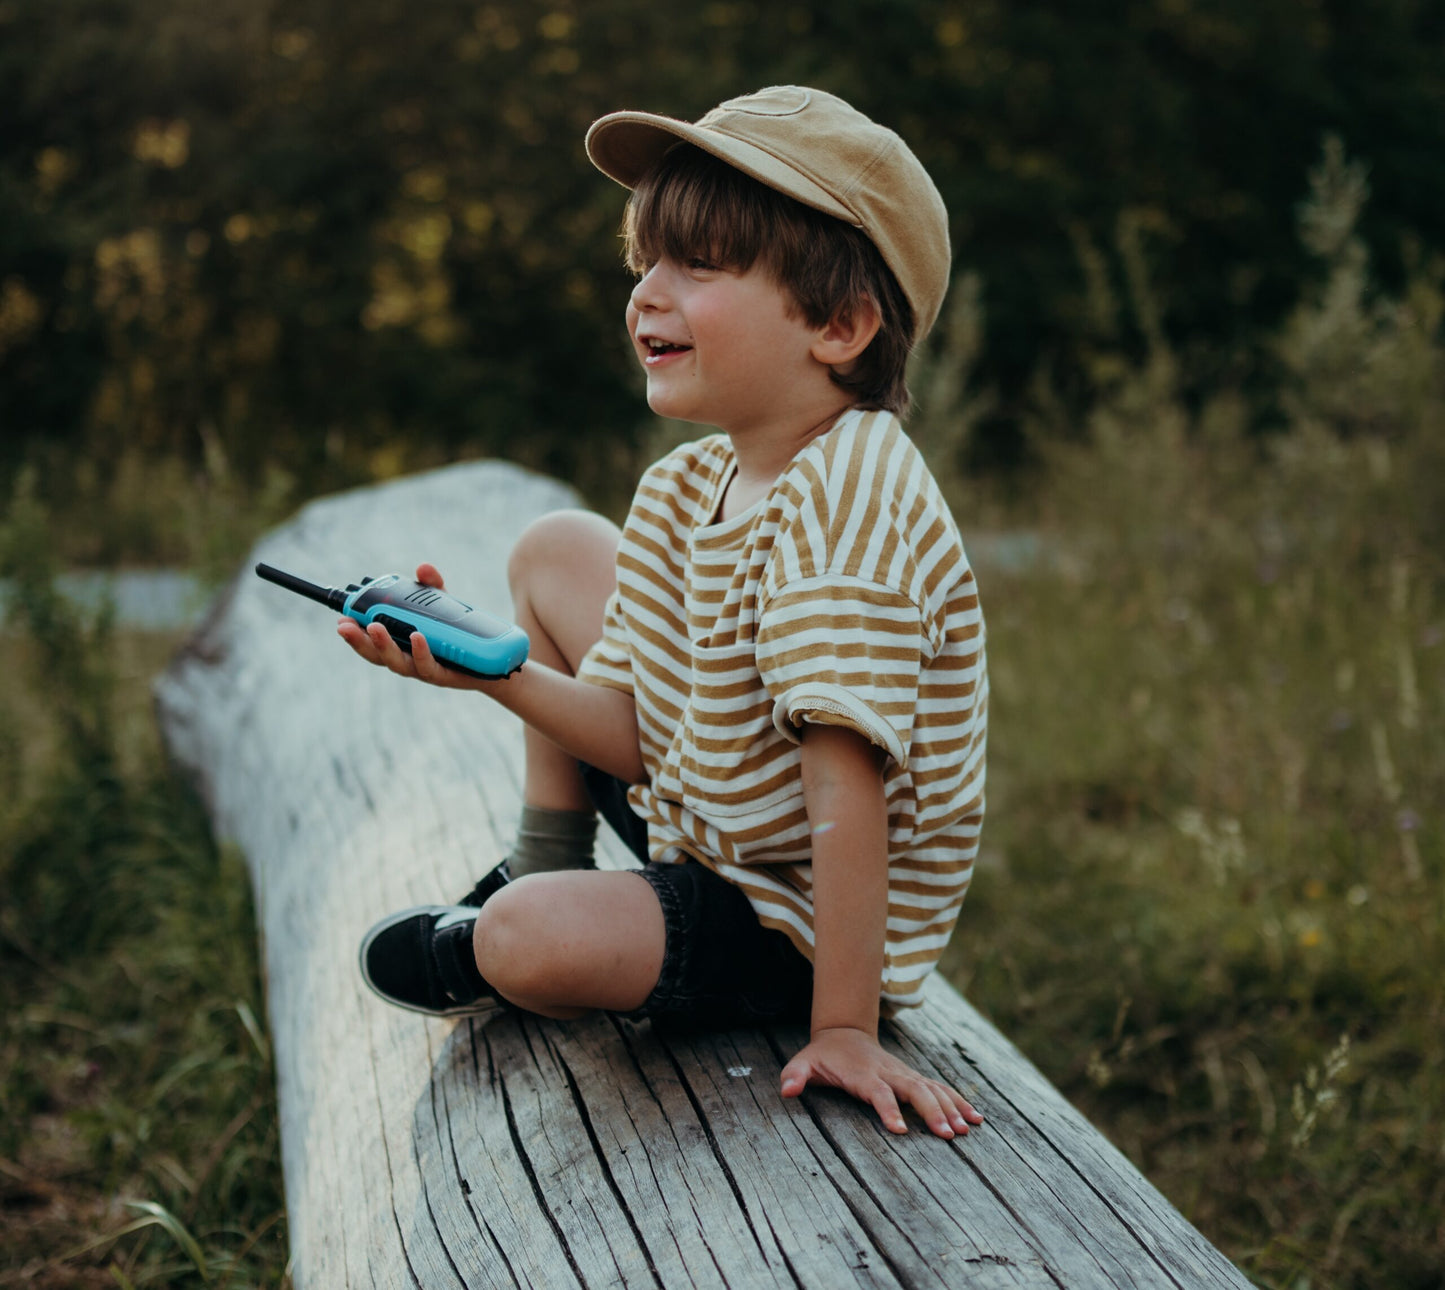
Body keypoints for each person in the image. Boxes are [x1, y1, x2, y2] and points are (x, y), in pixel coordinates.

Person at [342, 86, 989, 1140]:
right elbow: (634, 731)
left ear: (839, 325)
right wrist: (487, 672)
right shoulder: (689, 488)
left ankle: (501, 937)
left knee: (523, 942)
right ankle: (545, 853)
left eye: (697, 266)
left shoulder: (851, 510)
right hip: (706, 814)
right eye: (643, 260)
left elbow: (846, 791)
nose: (647, 293)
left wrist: (845, 1024)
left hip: (787, 914)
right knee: (552, 547)